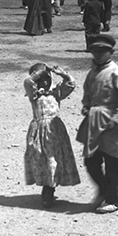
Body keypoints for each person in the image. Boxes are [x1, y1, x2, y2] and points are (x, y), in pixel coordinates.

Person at [75, 34, 118, 214]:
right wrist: (86, 106)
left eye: (102, 51)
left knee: (112, 164)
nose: (98, 55)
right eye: (94, 51)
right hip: (95, 121)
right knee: (91, 160)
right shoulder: (92, 72)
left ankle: (114, 199)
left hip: (113, 123)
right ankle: (103, 189)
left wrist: (116, 118)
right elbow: (87, 93)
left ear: (111, 52)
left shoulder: (116, 72)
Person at [23, 62, 81, 208]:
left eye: (47, 77)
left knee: (54, 159)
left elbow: (71, 84)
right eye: (41, 78)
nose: (45, 80)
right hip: (40, 131)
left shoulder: (56, 92)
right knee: (43, 160)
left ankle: (49, 190)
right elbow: (27, 81)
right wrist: (41, 71)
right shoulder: (34, 94)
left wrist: (62, 73)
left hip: (55, 131)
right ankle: (46, 189)